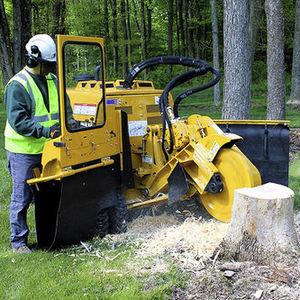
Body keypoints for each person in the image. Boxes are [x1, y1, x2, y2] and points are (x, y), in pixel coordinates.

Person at [4, 34, 61, 254]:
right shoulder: (17, 85)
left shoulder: (53, 80)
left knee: (48, 194)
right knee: (22, 196)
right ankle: (18, 242)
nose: (50, 68)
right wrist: (45, 131)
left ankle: (46, 234)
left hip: (49, 149)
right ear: (34, 60)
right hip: (23, 151)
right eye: (47, 64)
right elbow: (18, 121)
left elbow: (63, 110)